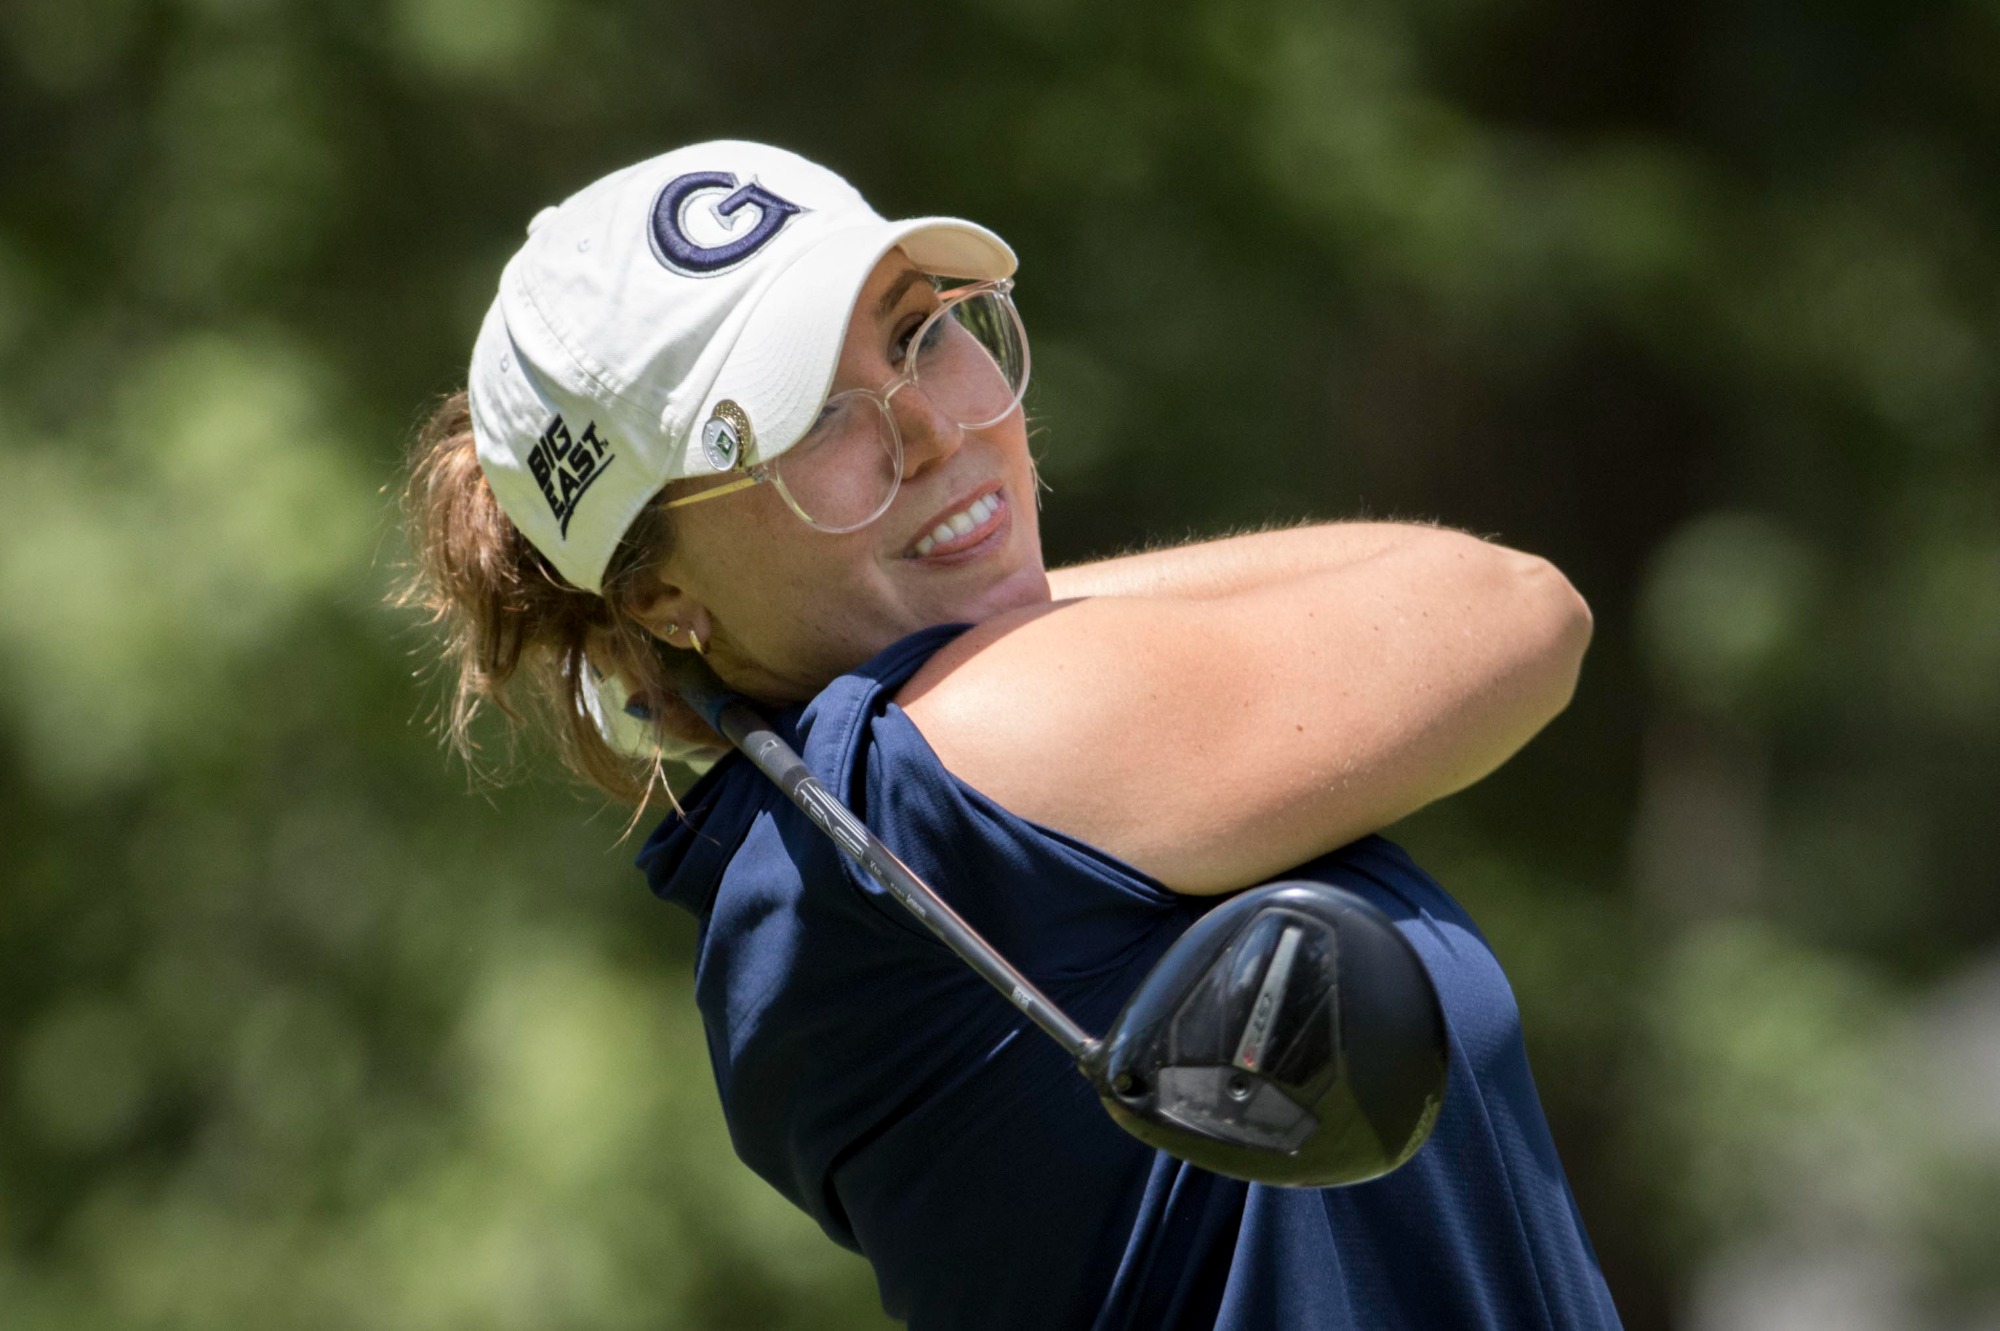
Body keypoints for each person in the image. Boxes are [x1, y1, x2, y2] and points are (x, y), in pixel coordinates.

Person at [398, 140, 1622, 1329]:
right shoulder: (946, 769)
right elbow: (1514, 607)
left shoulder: (819, 834)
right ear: (661, 597)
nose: (932, 425)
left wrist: (981, 606)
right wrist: (995, 627)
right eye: (808, 416)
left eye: (918, 330)